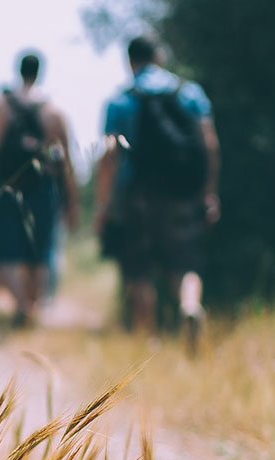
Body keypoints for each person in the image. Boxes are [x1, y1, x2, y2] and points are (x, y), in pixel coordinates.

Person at [95, 36, 221, 345]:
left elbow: (110, 158)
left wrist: (103, 207)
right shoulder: (188, 93)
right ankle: (189, 306)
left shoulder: (120, 100)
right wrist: (208, 192)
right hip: (181, 190)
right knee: (184, 261)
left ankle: (147, 341)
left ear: (130, 61)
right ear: (160, 57)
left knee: (138, 268)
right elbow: (210, 144)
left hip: (137, 194)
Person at [0, 51, 79, 326]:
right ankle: (32, 307)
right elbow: (66, 163)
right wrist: (71, 202)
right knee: (39, 251)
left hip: (5, 187)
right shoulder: (54, 111)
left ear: (18, 70)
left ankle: (21, 305)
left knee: (7, 250)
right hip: (42, 189)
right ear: (40, 71)